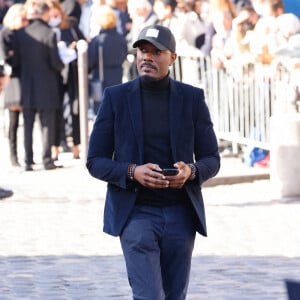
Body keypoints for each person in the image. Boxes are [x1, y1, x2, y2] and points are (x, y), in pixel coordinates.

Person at [86, 24, 220, 299]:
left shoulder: (192, 99)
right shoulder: (116, 98)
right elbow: (95, 161)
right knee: (149, 296)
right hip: (136, 213)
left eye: (156, 52)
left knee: (174, 296)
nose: (147, 57)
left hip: (181, 214)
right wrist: (133, 171)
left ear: (173, 57)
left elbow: (211, 159)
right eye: (143, 51)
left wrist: (191, 171)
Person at [13, 0, 64, 171]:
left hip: (27, 85)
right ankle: (46, 159)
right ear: (44, 14)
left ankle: (28, 161)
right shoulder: (49, 33)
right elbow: (55, 63)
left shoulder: (21, 34)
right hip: (47, 85)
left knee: (27, 124)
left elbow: (16, 62)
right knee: (47, 124)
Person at [0, 3, 28, 167]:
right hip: (12, 80)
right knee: (13, 121)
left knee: (24, 121)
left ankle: (23, 155)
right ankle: (13, 156)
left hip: (23, 79)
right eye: (23, 19)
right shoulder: (5, 34)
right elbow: (6, 58)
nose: (25, 22)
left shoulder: (21, 34)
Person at [87, 4, 127, 115]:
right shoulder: (121, 38)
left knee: (101, 112)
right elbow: (124, 55)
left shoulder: (97, 40)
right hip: (117, 76)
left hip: (101, 78)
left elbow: (90, 61)